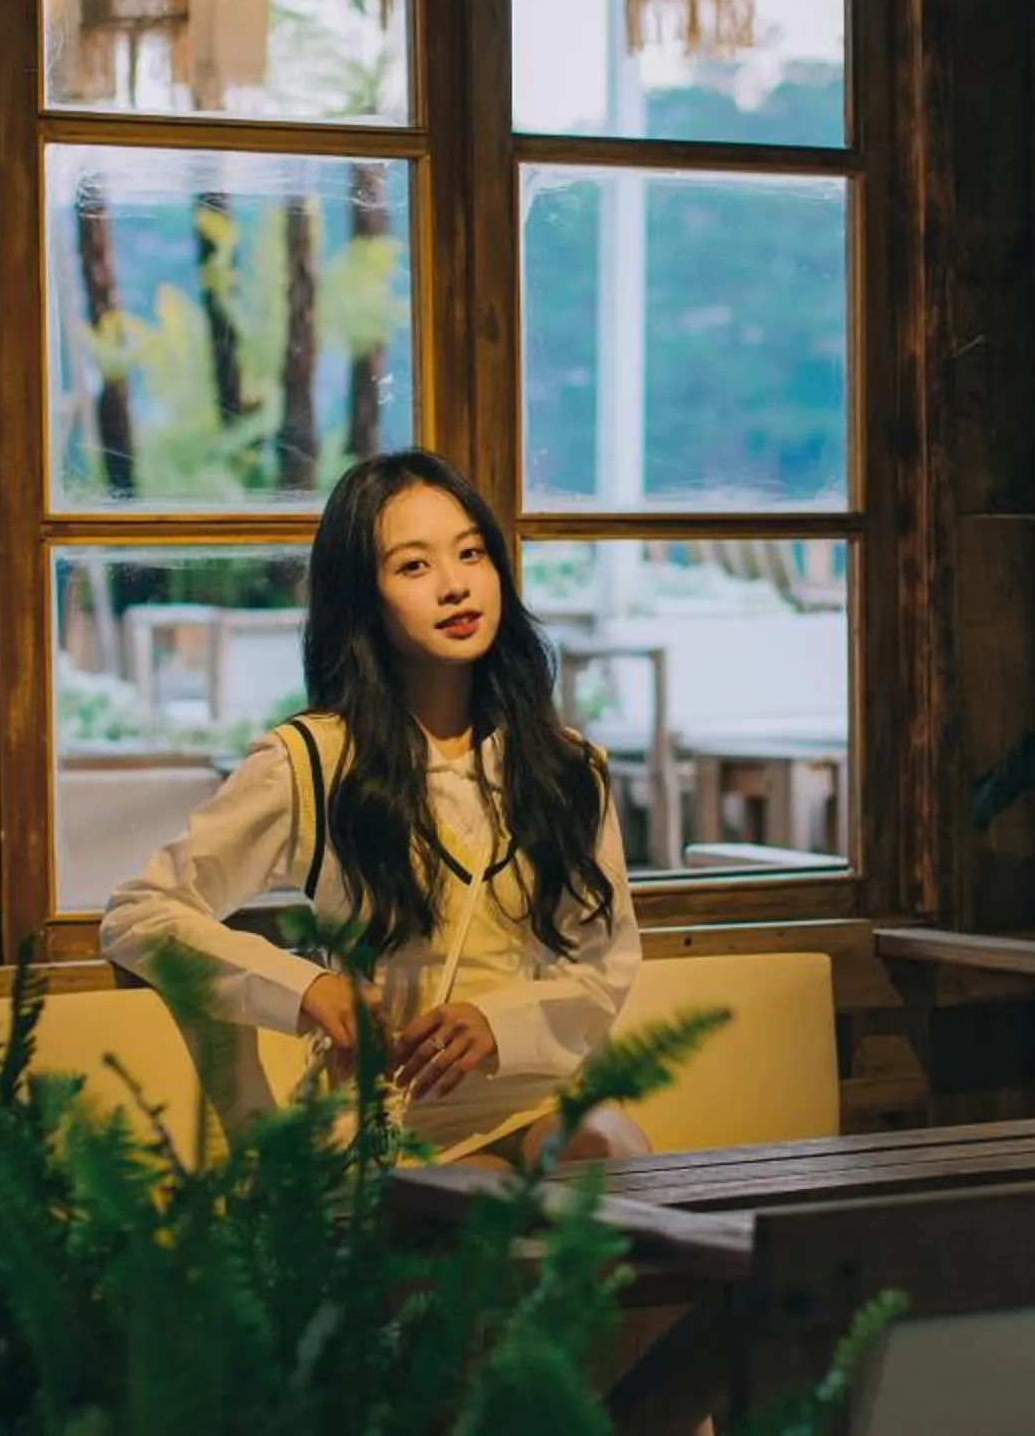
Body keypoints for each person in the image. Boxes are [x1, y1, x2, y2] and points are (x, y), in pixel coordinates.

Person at [100, 450, 650, 1167]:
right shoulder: (312, 760)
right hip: (389, 1119)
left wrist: (497, 1023)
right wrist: (305, 987)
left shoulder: (568, 767)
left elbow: (604, 965)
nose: (456, 586)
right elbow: (140, 913)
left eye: (471, 554)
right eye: (414, 567)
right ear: (363, 598)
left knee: (607, 1153)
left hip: (537, 1092)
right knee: (474, 1205)